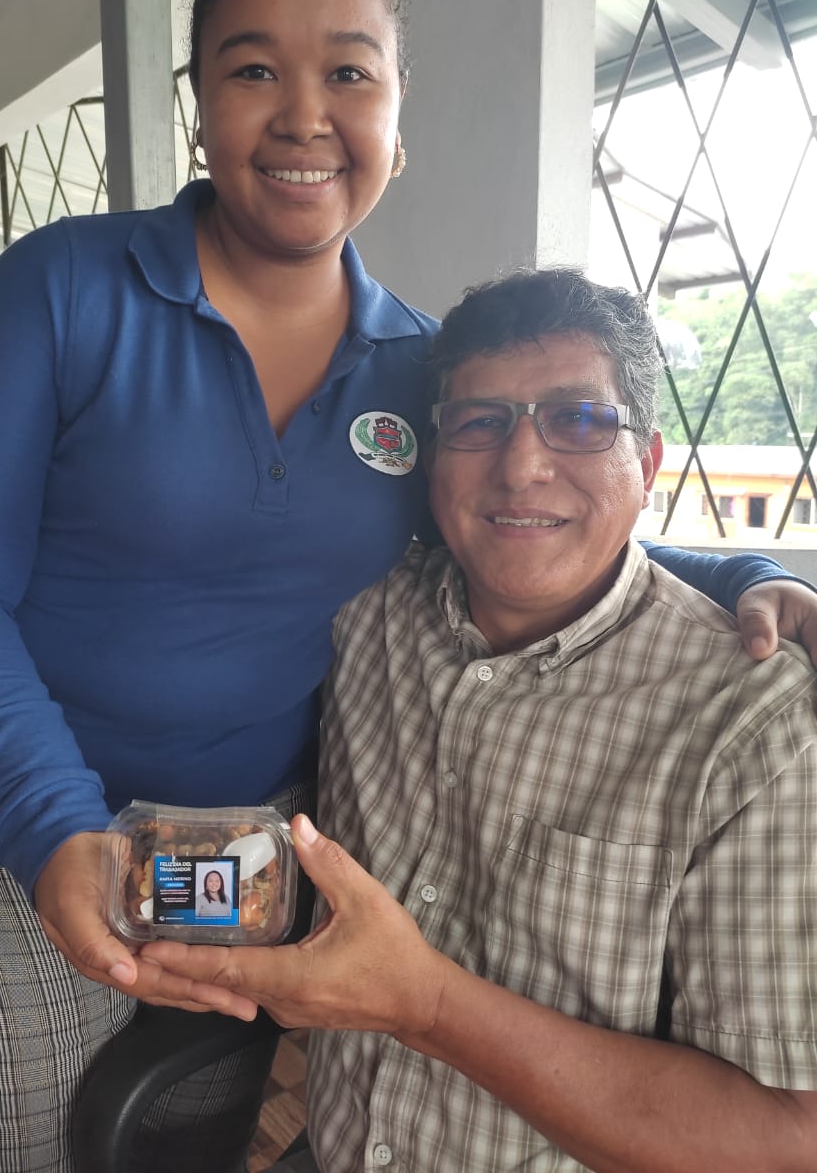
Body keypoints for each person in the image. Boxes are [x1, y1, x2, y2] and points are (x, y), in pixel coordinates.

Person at [0, 0, 815, 1173]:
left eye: (350, 73)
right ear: (200, 103)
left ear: (397, 121)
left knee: (188, 1131)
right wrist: (46, 824)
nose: (304, 114)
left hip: (259, 837)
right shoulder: (62, 291)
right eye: (254, 68)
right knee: (24, 1147)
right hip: (15, 808)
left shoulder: (421, 372)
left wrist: (745, 572)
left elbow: (528, 516)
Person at [151, 269, 817, 1173]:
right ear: (432, 458)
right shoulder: (364, 612)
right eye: (479, 422)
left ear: (649, 464)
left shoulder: (755, 725)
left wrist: (425, 1004)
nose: (522, 466)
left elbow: (785, 1136)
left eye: (579, 420)